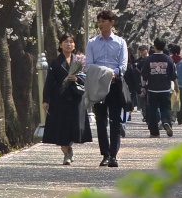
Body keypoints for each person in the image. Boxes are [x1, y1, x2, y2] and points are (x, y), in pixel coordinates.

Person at [85, 9, 128, 167]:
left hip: (114, 84)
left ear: (111, 22)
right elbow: (88, 65)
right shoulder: (92, 43)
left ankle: (114, 155)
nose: (100, 24)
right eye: (99, 21)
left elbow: (123, 65)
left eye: (103, 21)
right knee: (101, 120)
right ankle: (105, 154)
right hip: (98, 84)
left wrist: (113, 73)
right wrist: (103, 72)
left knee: (115, 119)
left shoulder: (120, 42)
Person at [42, 33, 88, 164]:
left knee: (74, 126)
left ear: (74, 45)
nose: (69, 44)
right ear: (60, 45)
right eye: (66, 41)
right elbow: (49, 82)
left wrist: (77, 78)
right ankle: (66, 153)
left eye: (71, 42)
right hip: (59, 99)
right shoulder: (55, 62)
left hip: (76, 97)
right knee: (62, 128)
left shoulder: (79, 61)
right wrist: (46, 100)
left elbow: (86, 78)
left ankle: (70, 146)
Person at [144, 39, 177, 137]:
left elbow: (144, 75)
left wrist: (143, 87)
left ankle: (154, 132)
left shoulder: (148, 59)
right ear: (164, 47)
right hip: (165, 88)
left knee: (152, 110)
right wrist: (176, 86)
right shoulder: (168, 59)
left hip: (152, 88)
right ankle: (166, 122)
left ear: (154, 46)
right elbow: (173, 75)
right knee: (166, 108)